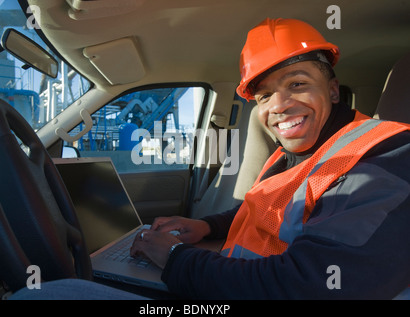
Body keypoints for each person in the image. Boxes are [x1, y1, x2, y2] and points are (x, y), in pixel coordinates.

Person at [129, 18, 410, 299]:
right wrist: (208, 226)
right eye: (264, 96)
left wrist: (175, 257)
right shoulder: (290, 153)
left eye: (297, 83)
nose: (278, 106)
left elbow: (309, 285)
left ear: (333, 91)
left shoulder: (388, 155)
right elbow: (266, 212)